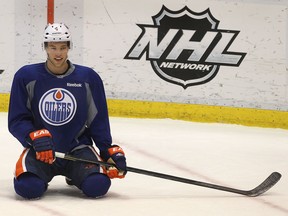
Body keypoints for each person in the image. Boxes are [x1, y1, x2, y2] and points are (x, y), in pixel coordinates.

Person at [8, 23, 127, 199]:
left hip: (77, 149)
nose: (58, 53)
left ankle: (75, 174)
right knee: (28, 188)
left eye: (63, 47)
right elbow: (17, 119)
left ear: (69, 47)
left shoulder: (87, 78)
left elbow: (97, 119)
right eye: (53, 47)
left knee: (97, 186)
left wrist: (107, 151)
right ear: (45, 47)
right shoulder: (26, 76)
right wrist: (33, 136)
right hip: (42, 151)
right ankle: (38, 175)